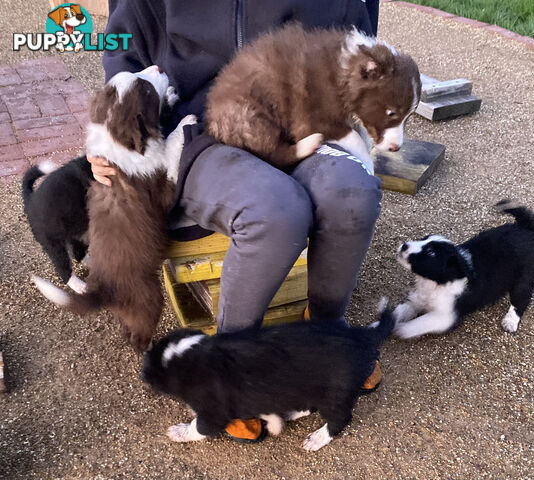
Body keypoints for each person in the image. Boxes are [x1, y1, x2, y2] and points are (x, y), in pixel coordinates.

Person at [89, 0, 383, 442]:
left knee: (353, 195)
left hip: (302, 115)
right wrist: (112, 126)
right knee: (274, 210)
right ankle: (230, 367)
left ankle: (327, 335)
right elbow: (121, 42)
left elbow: (359, 38)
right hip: (197, 125)